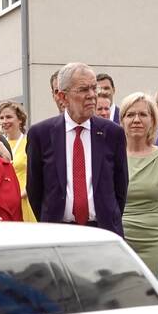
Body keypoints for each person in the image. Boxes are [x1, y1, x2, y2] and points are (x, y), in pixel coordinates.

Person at [27, 62, 128, 235]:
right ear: (62, 97)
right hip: (57, 233)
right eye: (83, 90)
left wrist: (108, 217)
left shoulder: (112, 133)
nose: (91, 95)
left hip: (103, 231)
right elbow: (35, 190)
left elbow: (121, 187)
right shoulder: (41, 134)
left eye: (93, 88)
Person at [120, 92, 158, 273]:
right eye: (130, 114)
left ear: (153, 121)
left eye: (143, 114)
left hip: (155, 241)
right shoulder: (111, 158)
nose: (136, 120)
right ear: (122, 121)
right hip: (119, 241)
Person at [0, 101, 36, 222]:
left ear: (20, 119)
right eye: (1, 118)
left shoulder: (29, 142)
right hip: (5, 201)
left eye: (9, 117)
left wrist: (23, 193)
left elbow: (36, 173)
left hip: (25, 199)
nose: (4, 121)